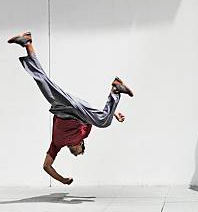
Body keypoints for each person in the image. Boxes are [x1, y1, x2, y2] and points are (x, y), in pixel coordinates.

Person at [7, 31, 134, 185]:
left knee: (42, 81)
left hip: (60, 108)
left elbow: (46, 166)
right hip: (76, 109)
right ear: (81, 145)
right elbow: (93, 114)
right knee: (103, 122)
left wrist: (63, 180)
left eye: (75, 155)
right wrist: (113, 115)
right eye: (79, 154)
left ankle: (27, 43)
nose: (76, 155)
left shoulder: (57, 144)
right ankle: (115, 91)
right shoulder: (84, 133)